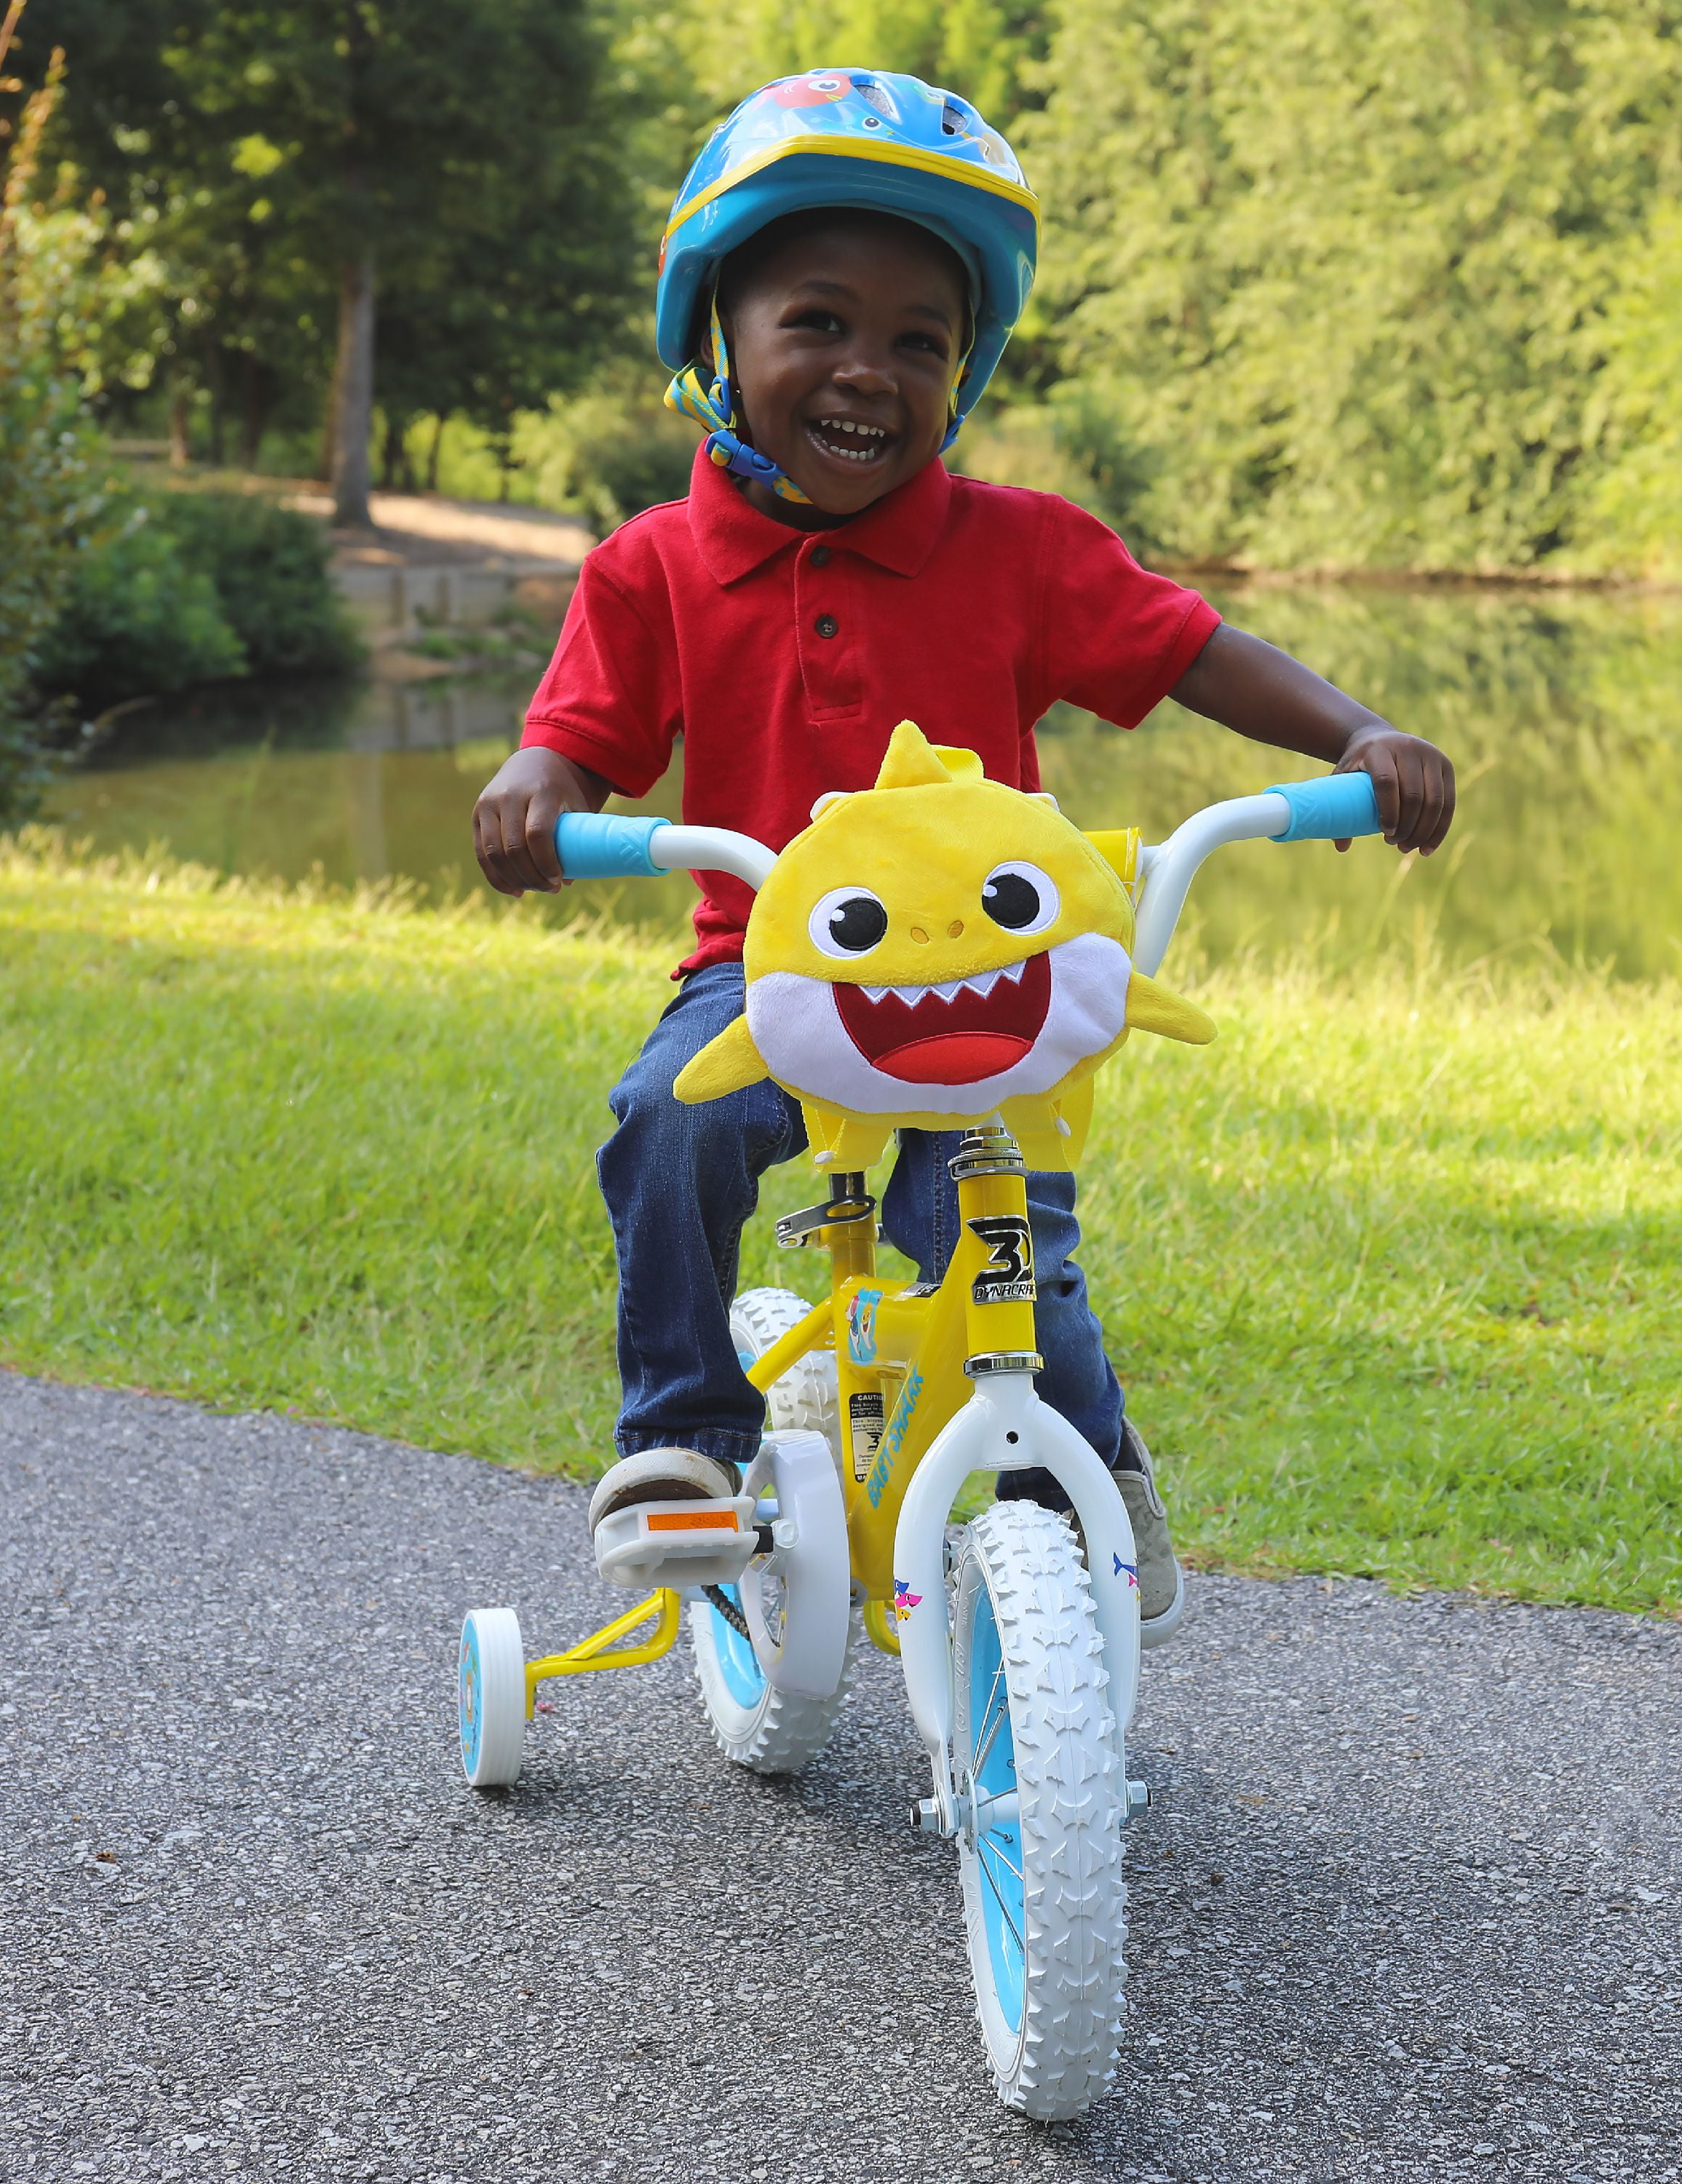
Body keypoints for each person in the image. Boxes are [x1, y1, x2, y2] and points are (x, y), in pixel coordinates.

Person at [471, 68, 1454, 1637]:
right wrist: (532, 786)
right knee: (667, 1121)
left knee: (1010, 1249)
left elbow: (1193, 649)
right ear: (716, 338)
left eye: (918, 340)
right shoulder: (654, 566)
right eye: (820, 322)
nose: (870, 369)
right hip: (771, 970)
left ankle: (1090, 1468)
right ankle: (684, 1439)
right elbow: (579, 732)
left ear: (964, 371)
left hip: (990, 985)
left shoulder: (1019, 551)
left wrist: (1355, 737)